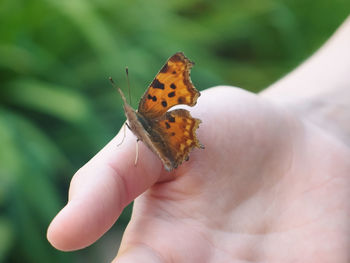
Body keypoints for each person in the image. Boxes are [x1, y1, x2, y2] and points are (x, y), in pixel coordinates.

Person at [47, 16, 350, 262]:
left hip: (170, 132)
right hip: (172, 128)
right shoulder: (145, 111)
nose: (129, 117)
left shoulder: (140, 115)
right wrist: (313, 117)